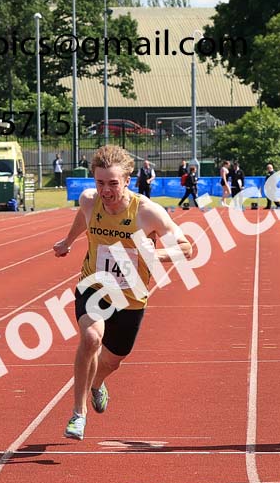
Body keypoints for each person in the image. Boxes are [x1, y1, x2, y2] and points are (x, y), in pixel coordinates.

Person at [52, 144, 192, 440]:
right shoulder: (90, 200)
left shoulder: (147, 212)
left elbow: (187, 249)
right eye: (100, 182)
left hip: (130, 297)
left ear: (128, 180)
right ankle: (78, 414)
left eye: (112, 183)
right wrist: (68, 241)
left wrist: (155, 255)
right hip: (94, 285)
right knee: (91, 339)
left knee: (113, 360)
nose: (105, 190)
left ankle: (96, 384)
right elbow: (84, 216)